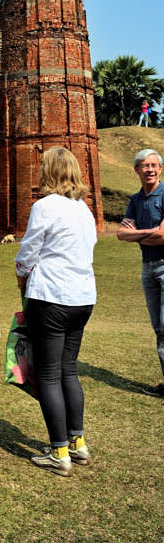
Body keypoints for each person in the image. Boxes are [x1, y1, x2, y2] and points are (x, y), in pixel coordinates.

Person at [15, 146, 97, 477]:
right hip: (82, 296)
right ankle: (77, 443)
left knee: (48, 374)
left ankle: (59, 452)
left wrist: (21, 275)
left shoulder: (45, 206)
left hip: (51, 296)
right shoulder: (83, 209)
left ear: (48, 172)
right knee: (68, 370)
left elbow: (29, 250)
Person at [117, 148, 164, 397]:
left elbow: (163, 236)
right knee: (159, 327)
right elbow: (121, 234)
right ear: (136, 169)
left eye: (154, 165)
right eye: (145, 166)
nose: (150, 170)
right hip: (148, 268)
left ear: (160, 169)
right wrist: (149, 233)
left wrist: (136, 235)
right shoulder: (136, 200)